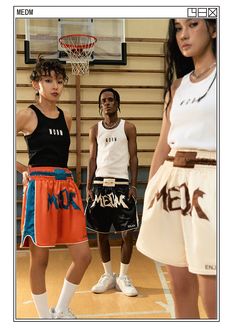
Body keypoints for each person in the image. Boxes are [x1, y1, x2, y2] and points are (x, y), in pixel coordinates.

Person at [136, 19, 217, 319]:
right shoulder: (177, 86)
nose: (183, 34)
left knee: (215, 300)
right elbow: (162, 145)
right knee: (181, 290)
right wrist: (151, 194)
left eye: (192, 25)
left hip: (212, 183)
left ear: (214, 29)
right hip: (171, 186)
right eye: (178, 28)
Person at [16, 58, 91, 319]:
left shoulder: (66, 117)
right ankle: (44, 319)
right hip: (40, 187)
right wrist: (24, 169)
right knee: (41, 260)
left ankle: (60, 310)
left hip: (65, 187)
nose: (55, 85)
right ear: (37, 84)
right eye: (48, 80)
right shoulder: (27, 114)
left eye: (59, 81)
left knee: (83, 256)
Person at [86, 88, 138, 297]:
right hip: (99, 185)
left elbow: (133, 158)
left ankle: (123, 277)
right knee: (101, 232)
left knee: (128, 233)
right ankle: (108, 275)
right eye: (103, 101)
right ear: (100, 105)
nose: (107, 103)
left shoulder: (128, 127)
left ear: (117, 103)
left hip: (122, 185)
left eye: (110, 99)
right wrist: (88, 186)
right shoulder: (94, 129)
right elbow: (91, 159)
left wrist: (133, 185)